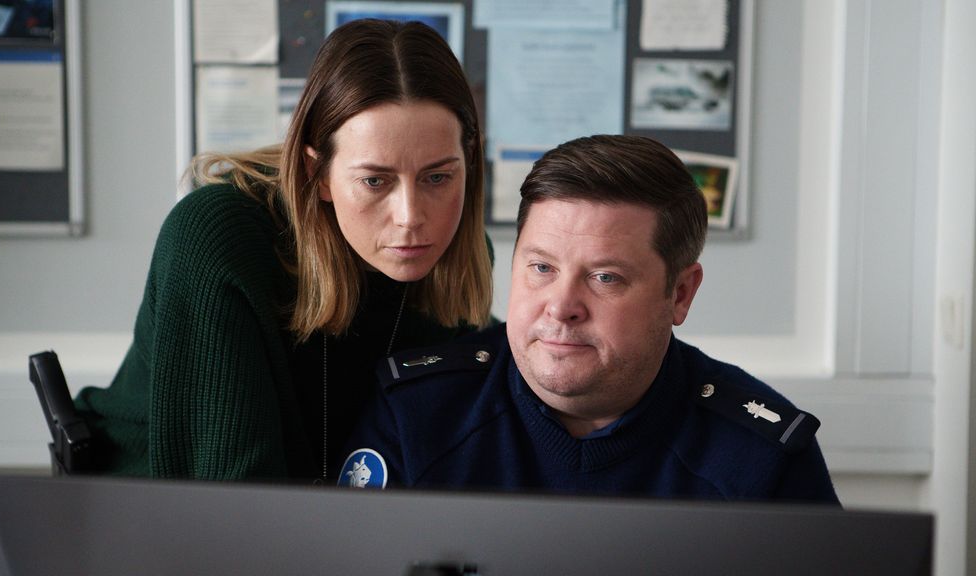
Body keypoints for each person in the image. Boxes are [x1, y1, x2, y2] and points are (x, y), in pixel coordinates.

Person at [73, 19, 493, 482]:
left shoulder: (452, 255)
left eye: (438, 177)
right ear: (319, 173)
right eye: (375, 181)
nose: (411, 216)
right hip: (146, 519)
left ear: (468, 164)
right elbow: (227, 503)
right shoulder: (219, 238)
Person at [338, 135, 839, 503]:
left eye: (605, 278)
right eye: (541, 268)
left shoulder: (759, 458)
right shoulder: (418, 416)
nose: (561, 306)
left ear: (680, 294)